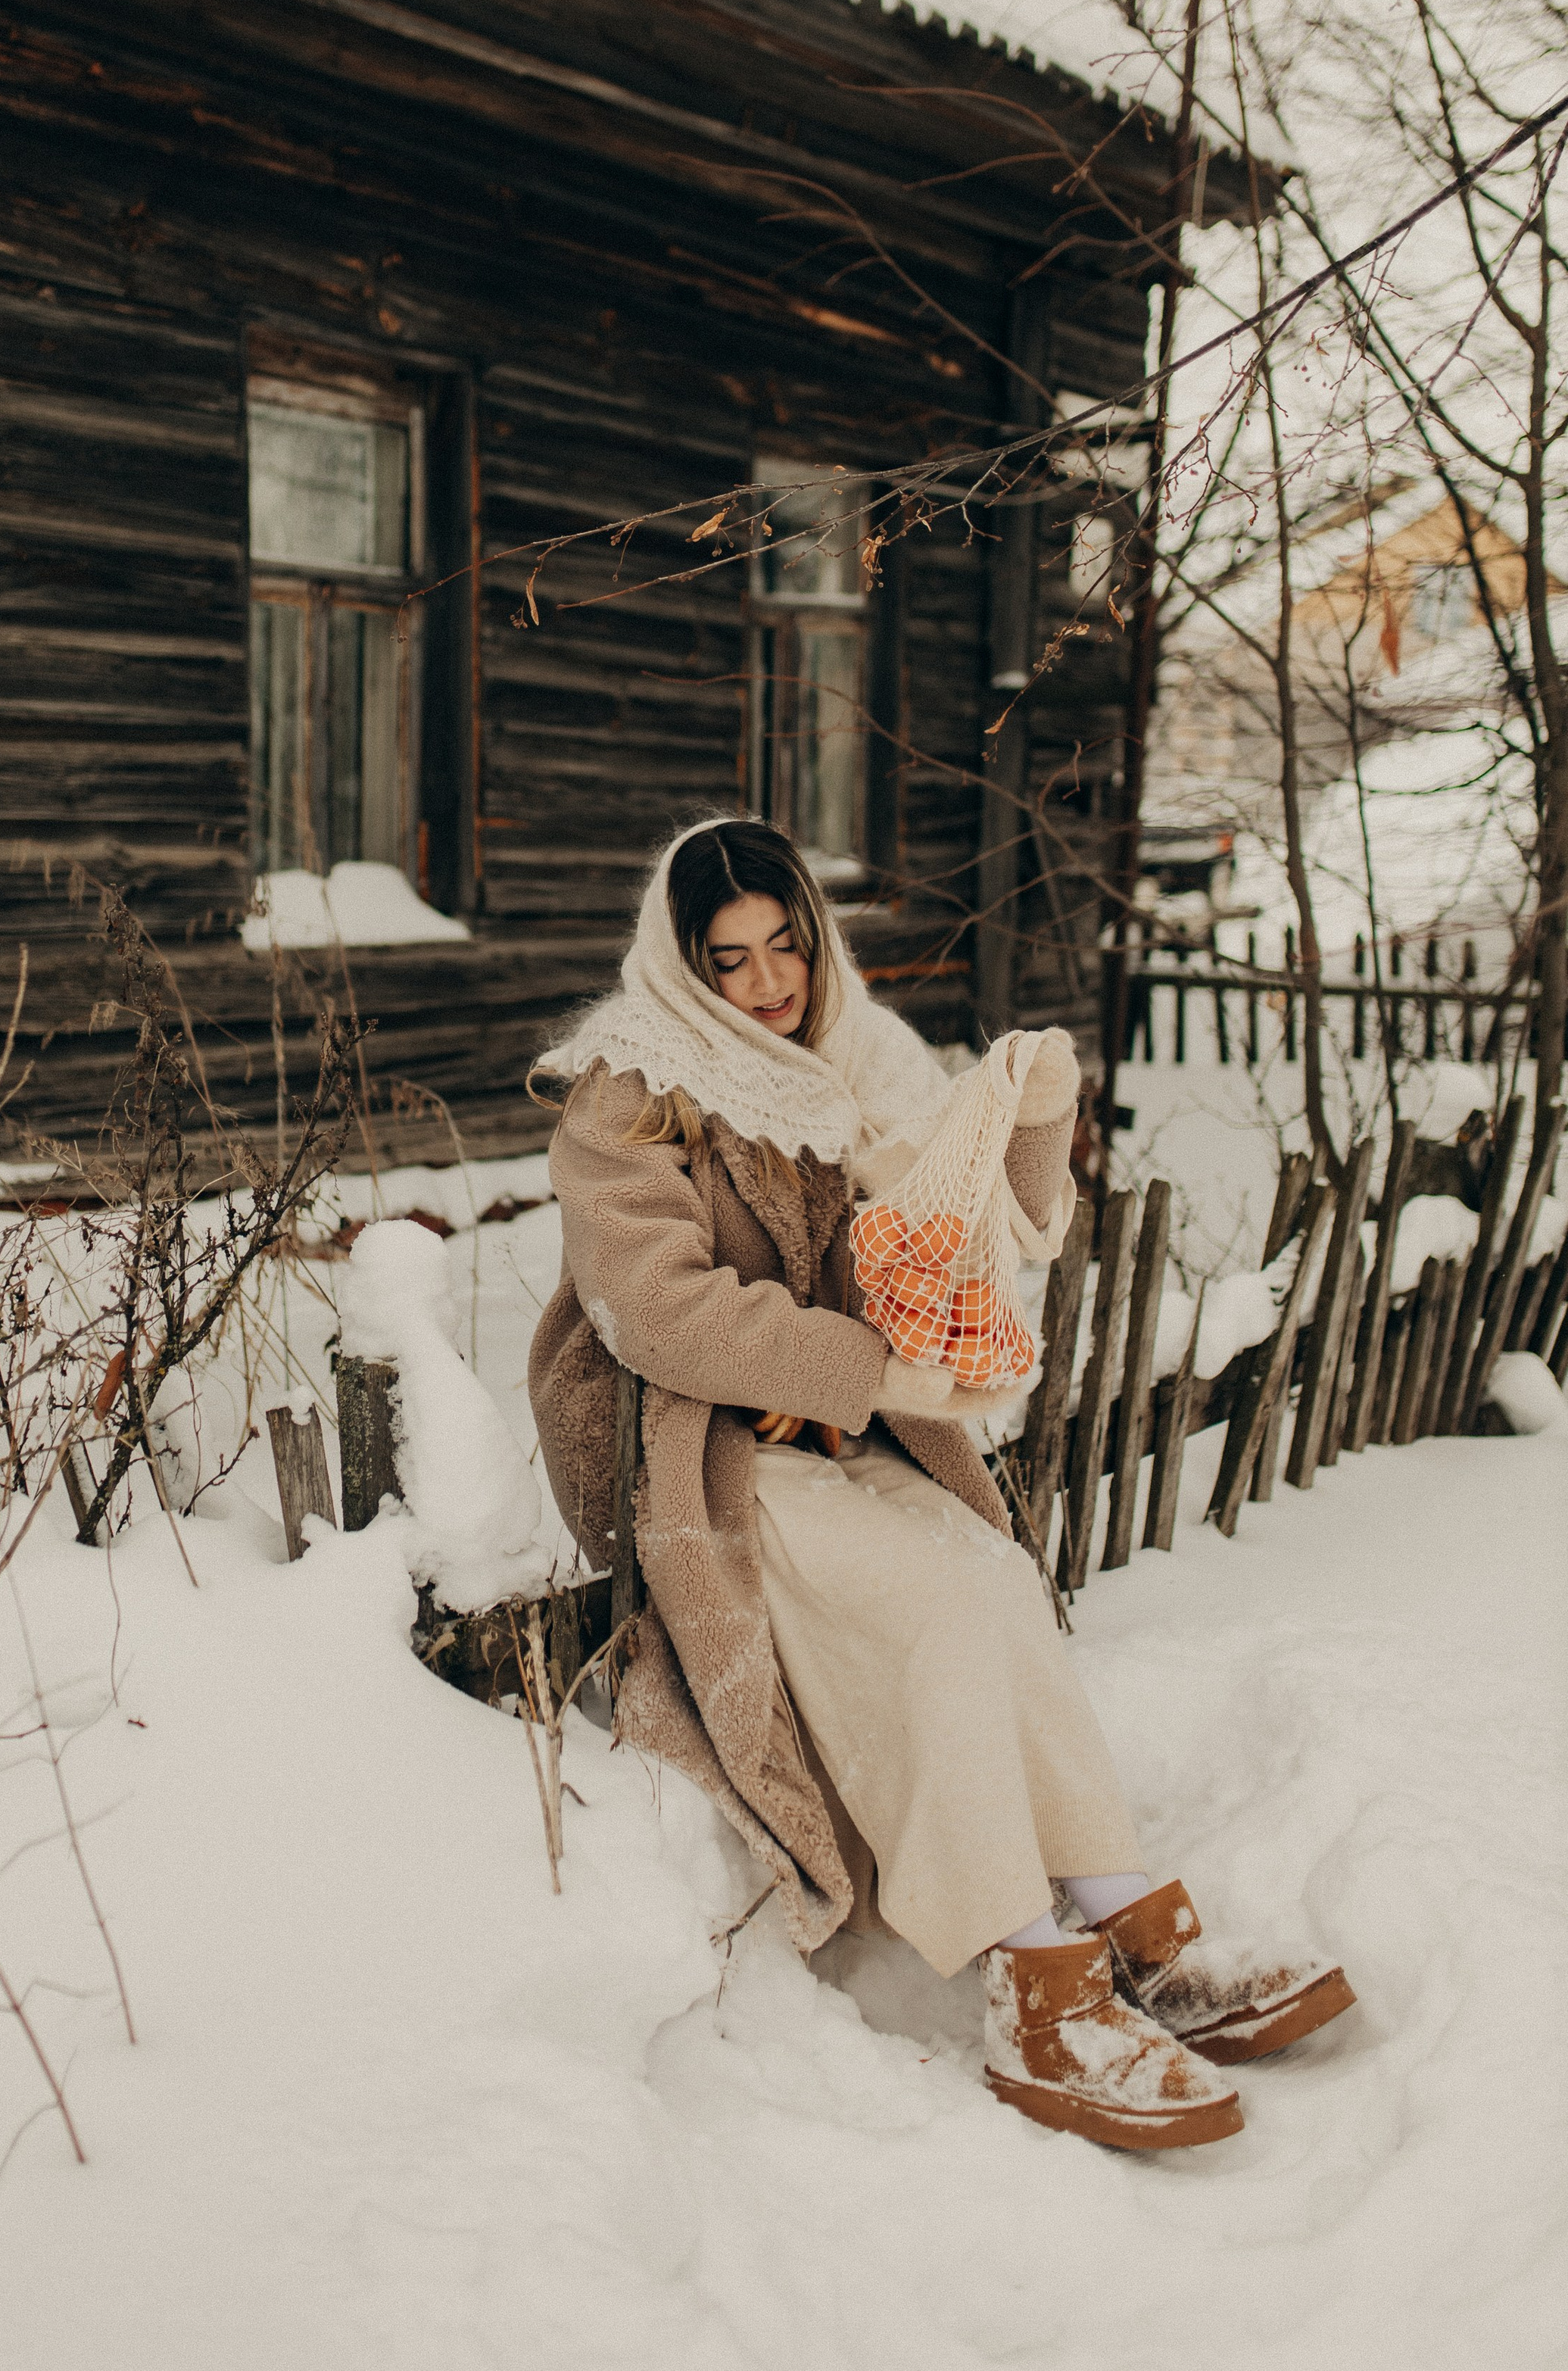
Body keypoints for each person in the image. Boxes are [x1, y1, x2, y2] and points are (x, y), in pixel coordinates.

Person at [528, 817, 1354, 2151]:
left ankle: (1129, 1920)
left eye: (786, 945)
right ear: (682, 968)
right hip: (697, 1445)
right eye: (729, 960)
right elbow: (654, 1307)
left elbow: (943, 1242)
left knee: (992, 1580)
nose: (768, 984)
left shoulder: (846, 1073)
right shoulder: (632, 1090)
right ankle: (1032, 1980)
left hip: (833, 1427)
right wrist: (854, 1365)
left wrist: (1026, 1120)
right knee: (926, 1601)